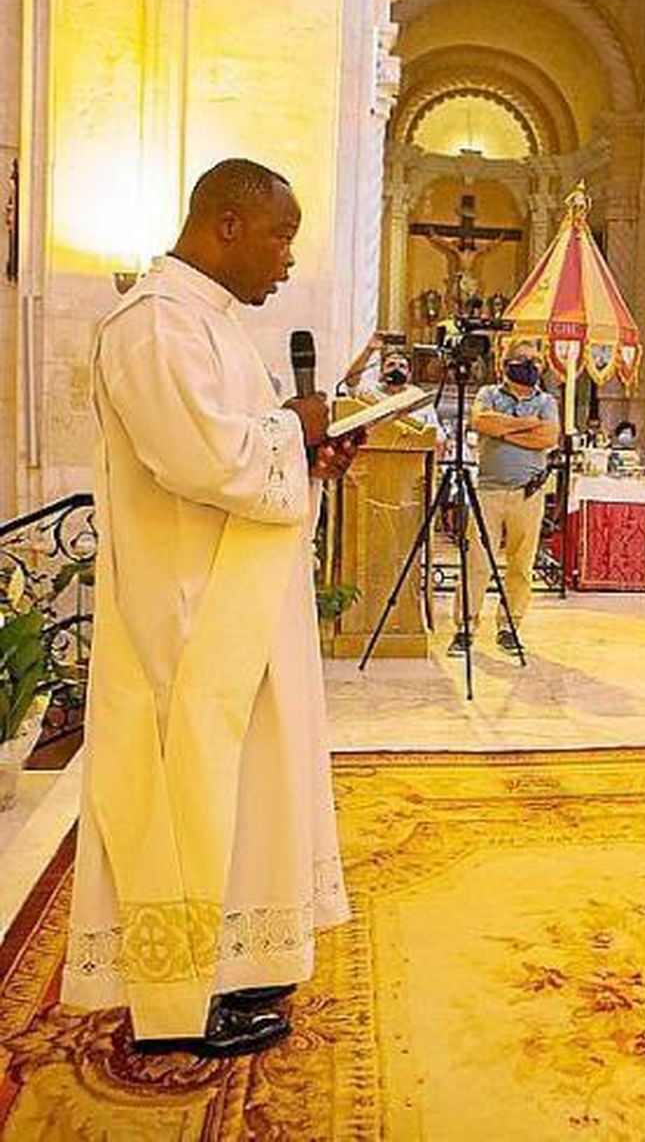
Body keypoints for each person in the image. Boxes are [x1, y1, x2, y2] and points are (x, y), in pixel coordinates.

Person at [64, 159, 359, 1057]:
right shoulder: (154, 324)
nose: (287, 260)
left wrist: (309, 450)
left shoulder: (208, 322)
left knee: (246, 787)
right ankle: (177, 1001)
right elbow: (200, 458)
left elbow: (240, 448)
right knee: (190, 792)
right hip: (186, 613)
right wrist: (294, 429)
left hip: (236, 599)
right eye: (279, 237)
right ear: (226, 225)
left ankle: (231, 962)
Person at [455, 349, 561, 654]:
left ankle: (509, 625)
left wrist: (505, 430)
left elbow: (549, 437)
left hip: (528, 492)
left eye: (536, 361)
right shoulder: (489, 393)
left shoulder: (545, 402)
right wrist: (527, 424)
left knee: (520, 562)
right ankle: (465, 625)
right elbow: (481, 422)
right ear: (505, 366)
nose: (531, 365)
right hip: (488, 490)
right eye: (524, 360)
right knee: (477, 560)